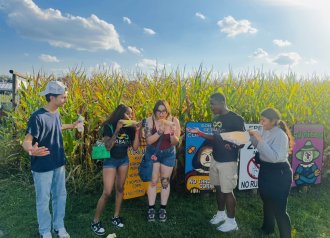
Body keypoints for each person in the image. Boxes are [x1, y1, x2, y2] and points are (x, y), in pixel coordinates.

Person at [22, 80, 78, 238]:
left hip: (58, 162)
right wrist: (32, 150)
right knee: (43, 199)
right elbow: (26, 141)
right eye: (63, 97)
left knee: (60, 195)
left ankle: (59, 226)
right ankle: (45, 230)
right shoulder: (37, 117)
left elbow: (56, 126)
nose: (66, 100)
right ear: (52, 97)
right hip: (42, 166)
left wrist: (72, 125)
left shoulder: (56, 113)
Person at [187, 92, 245, 232]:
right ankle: (221, 214)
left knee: (228, 191)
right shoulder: (216, 120)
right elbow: (215, 137)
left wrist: (231, 145)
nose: (211, 107)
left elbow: (242, 141)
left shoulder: (236, 119)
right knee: (218, 188)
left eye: (212, 104)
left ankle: (232, 222)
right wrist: (200, 133)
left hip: (228, 161)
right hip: (216, 158)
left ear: (221, 102)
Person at [91, 104, 141, 236]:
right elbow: (107, 147)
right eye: (128, 114)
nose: (131, 116)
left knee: (120, 188)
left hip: (124, 160)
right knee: (107, 192)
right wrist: (117, 130)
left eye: (131, 114)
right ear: (120, 114)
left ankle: (116, 217)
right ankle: (95, 221)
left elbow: (135, 148)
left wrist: (137, 131)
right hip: (111, 160)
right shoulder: (109, 126)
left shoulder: (130, 128)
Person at [248, 108, 294, 238]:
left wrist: (259, 139)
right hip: (266, 170)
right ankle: (267, 229)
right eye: (260, 119)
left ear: (273, 121)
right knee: (267, 201)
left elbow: (274, 157)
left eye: (264, 120)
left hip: (279, 173)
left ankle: (286, 236)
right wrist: (252, 137)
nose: (261, 123)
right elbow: (259, 146)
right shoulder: (265, 130)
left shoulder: (280, 135)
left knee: (279, 209)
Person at [144, 100, 181, 222]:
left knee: (165, 181)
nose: (161, 114)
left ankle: (163, 209)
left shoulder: (174, 120)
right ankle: (151, 208)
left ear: (167, 110)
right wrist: (160, 131)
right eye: (159, 111)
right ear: (155, 111)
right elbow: (149, 140)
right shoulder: (149, 121)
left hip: (168, 153)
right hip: (153, 152)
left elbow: (175, 142)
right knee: (153, 181)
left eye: (164, 111)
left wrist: (171, 132)